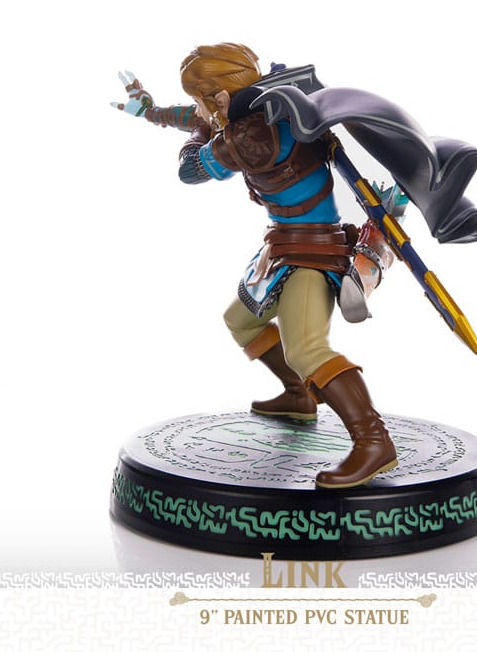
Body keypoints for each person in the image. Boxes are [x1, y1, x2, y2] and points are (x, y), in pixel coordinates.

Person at [114, 43, 397, 489]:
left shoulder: (254, 136)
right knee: (241, 321)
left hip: (311, 252)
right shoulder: (272, 106)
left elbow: (191, 169)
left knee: (306, 348)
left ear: (221, 96)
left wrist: (197, 130)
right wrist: (152, 112)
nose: (200, 109)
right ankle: (299, 395)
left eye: (203, 99)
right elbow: (201, 119)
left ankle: (373, 441)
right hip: (283, 245)